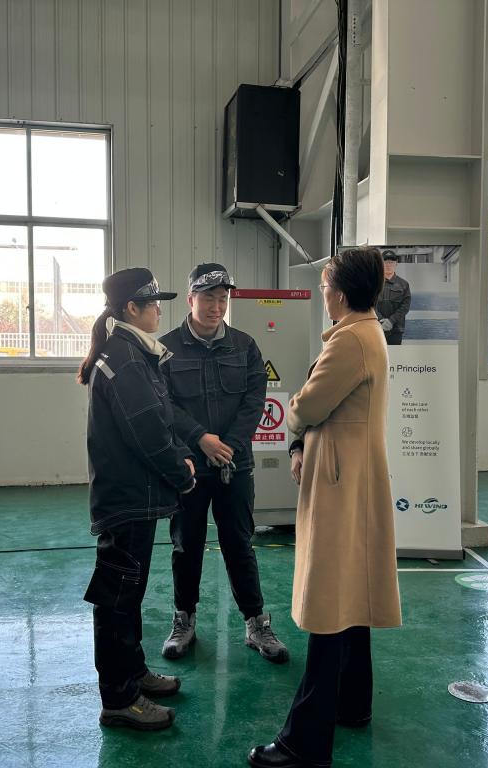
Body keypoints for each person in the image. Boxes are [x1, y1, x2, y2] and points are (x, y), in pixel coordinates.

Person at [248, 246, 401, 768]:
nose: (321, 288)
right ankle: (353, 702)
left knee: (329, 604)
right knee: (350, 594)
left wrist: (295, 415)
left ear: (341, 290)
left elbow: (307, 407)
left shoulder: (349, 341)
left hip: (340, 483)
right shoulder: (365, 333)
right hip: (351, 476)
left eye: (325, 281)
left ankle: (303, 743)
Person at [78, 267, 197, 732]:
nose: (159, 311)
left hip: (134, 496)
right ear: (132, 308)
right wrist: (181, 473)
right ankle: (119, 698)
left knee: (129, 595)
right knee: (117, 599)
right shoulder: (125, 358)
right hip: (127, 498)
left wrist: (181, 453)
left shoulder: (131, 352)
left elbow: (160, 417)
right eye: (153, 304)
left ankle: (133, 672)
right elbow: (147, 430)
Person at [159, 263, 289, 664]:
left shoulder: (245, 346)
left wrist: (228, 446)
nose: (217, 307)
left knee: (239, 544)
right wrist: (201, 437)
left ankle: (256, 623)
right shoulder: (166, 348)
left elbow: (255, 400)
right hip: (188, 466)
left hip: (235, 464)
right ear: (190, 299)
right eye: (208, 298)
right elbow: (164, 404)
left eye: (223, 299)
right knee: (186, 545)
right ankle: (184, 620)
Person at [375, 251, 411, 345]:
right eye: (385, 262)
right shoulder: (373, 283)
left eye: (391, 262)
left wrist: (391, 321)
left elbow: (405, 307)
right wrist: (381, 320)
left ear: (396, 264)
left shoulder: (404, 284)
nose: (388, 265)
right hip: (377, 328)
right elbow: (369, 304)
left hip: (396, 330)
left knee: (396, 354)